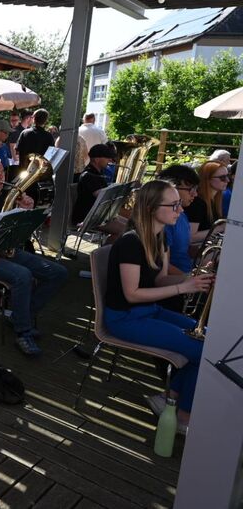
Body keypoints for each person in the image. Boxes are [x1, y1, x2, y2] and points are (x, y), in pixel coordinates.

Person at [104, 180, 214, 432]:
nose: (181, 210)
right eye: (174, 205)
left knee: (209, 340)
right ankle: (183, 415)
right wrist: (183, 288)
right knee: (203, 351)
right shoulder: (131, 243)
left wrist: (192, 278)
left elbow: (161, 279)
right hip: (125, 318)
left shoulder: (159, 237)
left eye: (179, 204)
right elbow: (132, 294)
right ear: (152, 208)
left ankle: (170, 399)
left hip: (148, 311)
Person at [0, 155, 68, 356]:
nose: (1, 176)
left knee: (58, 272)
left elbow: (22, 226)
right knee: (23, 276)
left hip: (7, 250)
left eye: (2, 171)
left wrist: (26, 210)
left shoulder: (8, 193)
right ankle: (23, 332)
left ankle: (20, 316)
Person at [71, 144, 125, 235]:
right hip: (88, 218)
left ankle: (111, 244)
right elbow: (103, 196)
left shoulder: (98, 173)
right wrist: (121, 190)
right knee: (126, 231)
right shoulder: (88, 175)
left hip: (100, 215)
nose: (110, 160)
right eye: (107, 157)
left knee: (132, 226)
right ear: (96, 159)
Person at [156, 165, 200, 276]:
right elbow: (164, 266)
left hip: (187, 273)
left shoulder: (182, 215)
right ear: (172, 188)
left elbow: (182, 250)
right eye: (191, 189)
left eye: (196, 189)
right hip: (177, 280)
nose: (195, 194)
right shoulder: (166, 221)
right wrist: (191, 280)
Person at [184, 160, 228, 243]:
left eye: (227, 176)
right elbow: (191, 237)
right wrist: (220, 228)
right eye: (222, 178)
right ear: (208, 179)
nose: (227, 180)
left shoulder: (214, 200)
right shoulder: (197, 202)